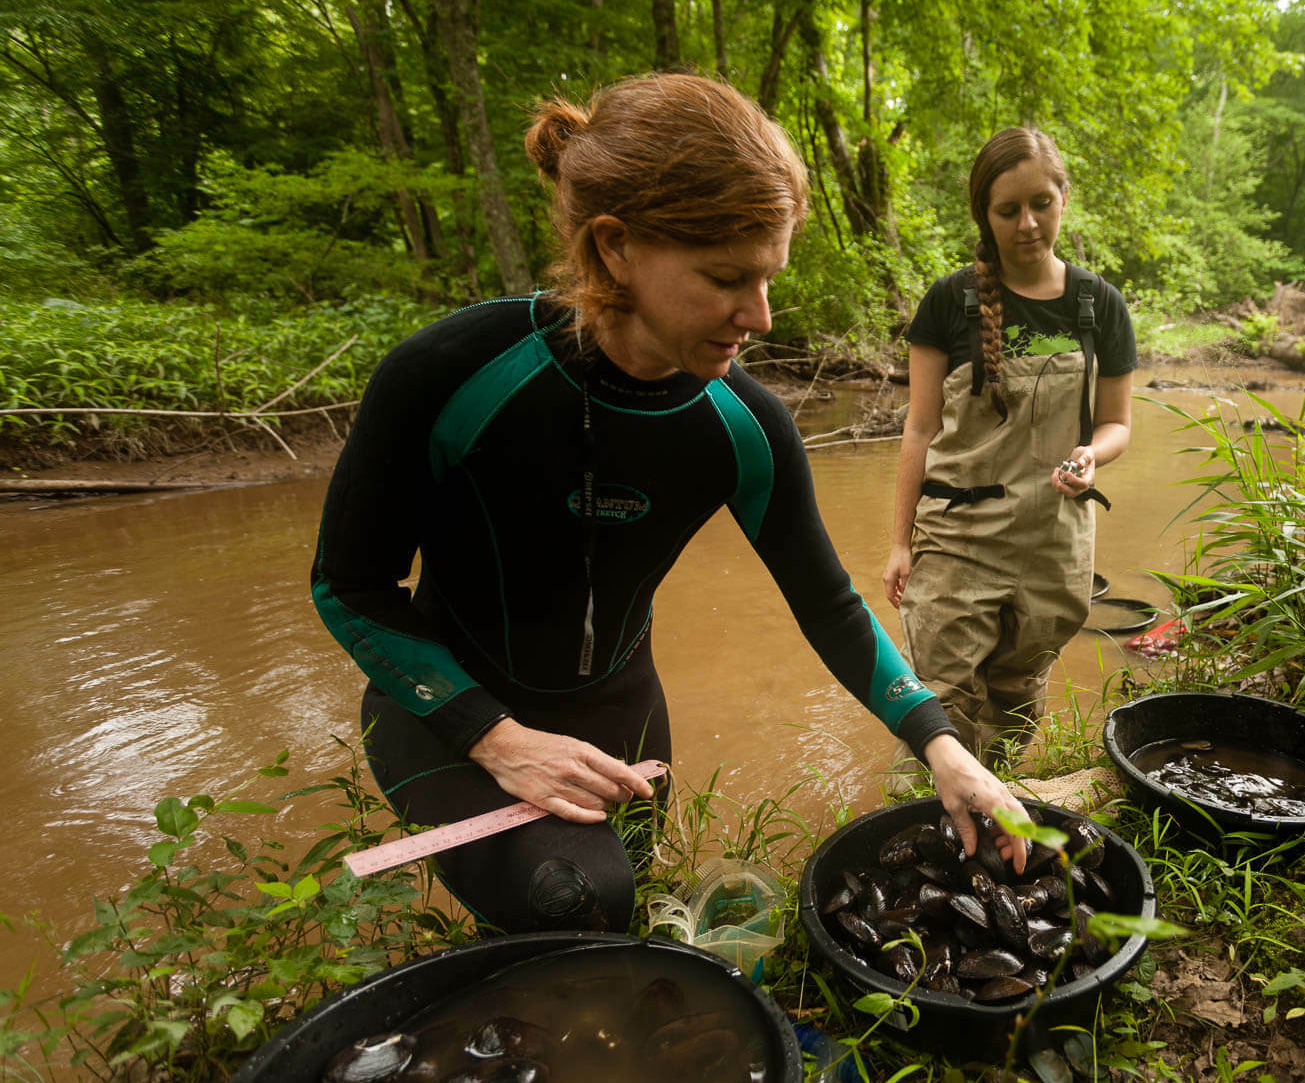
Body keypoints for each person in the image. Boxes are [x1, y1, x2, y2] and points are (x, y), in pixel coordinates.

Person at [311, 73, 1025, 937]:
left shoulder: (741, 426)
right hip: (445, 703)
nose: (758, 316)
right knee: (577, 898)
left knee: (627, 899)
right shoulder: (450, 372)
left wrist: (942, 746)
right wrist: (497, 739)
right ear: (615, 248)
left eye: (770, 279)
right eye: (727, 278)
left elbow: (830, 604)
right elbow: (350, 588)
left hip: (619, 705)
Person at [883, 127, 1136, 767]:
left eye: (1041, 204)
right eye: (1007, 210)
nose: (1027, 224)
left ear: (1064, 199)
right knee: (937, 705)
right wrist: (899, 541)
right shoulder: (949, 302)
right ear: (984, 215)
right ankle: (921, 819)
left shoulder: (1098, 305)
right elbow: (918, 428)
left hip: (1054, 543)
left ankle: (993, 819)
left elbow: (1117, 424)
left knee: (1016, 699)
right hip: (957, 536)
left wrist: (1090, 456)